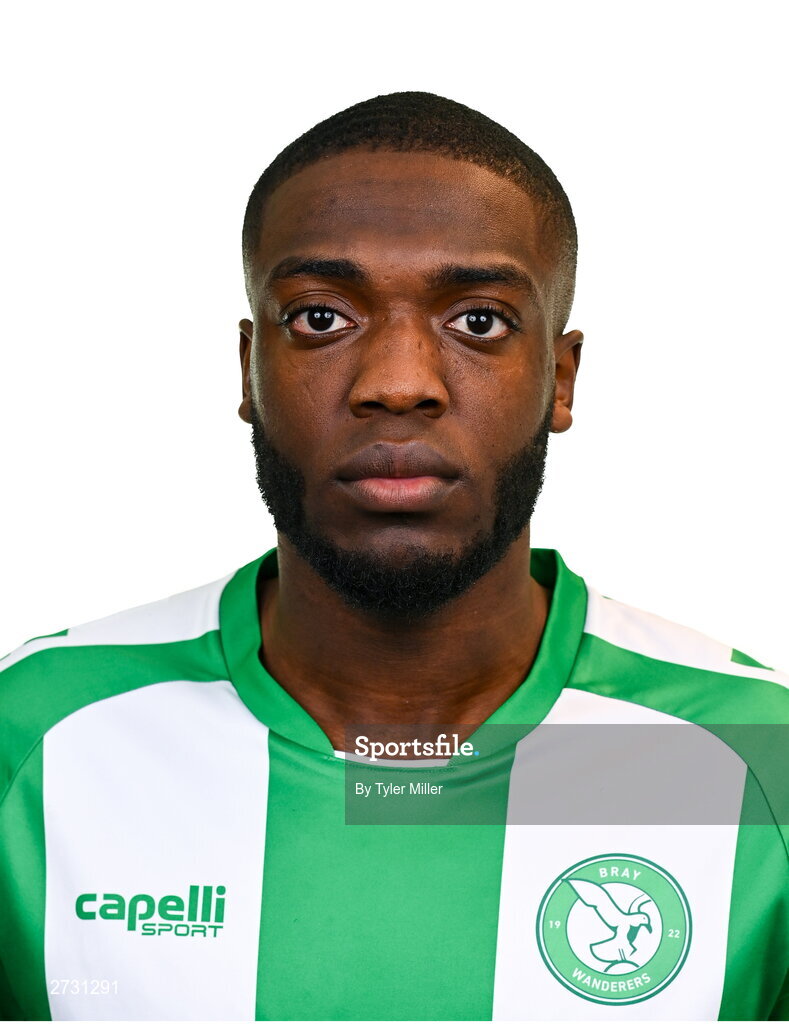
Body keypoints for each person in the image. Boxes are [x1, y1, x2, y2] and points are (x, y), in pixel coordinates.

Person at [0, 91, 786, 1022]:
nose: (399, 384)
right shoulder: (34, 735)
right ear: (247, 369)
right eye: (320, 318)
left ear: (560, 378)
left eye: (479, 321)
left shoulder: (755, 755)